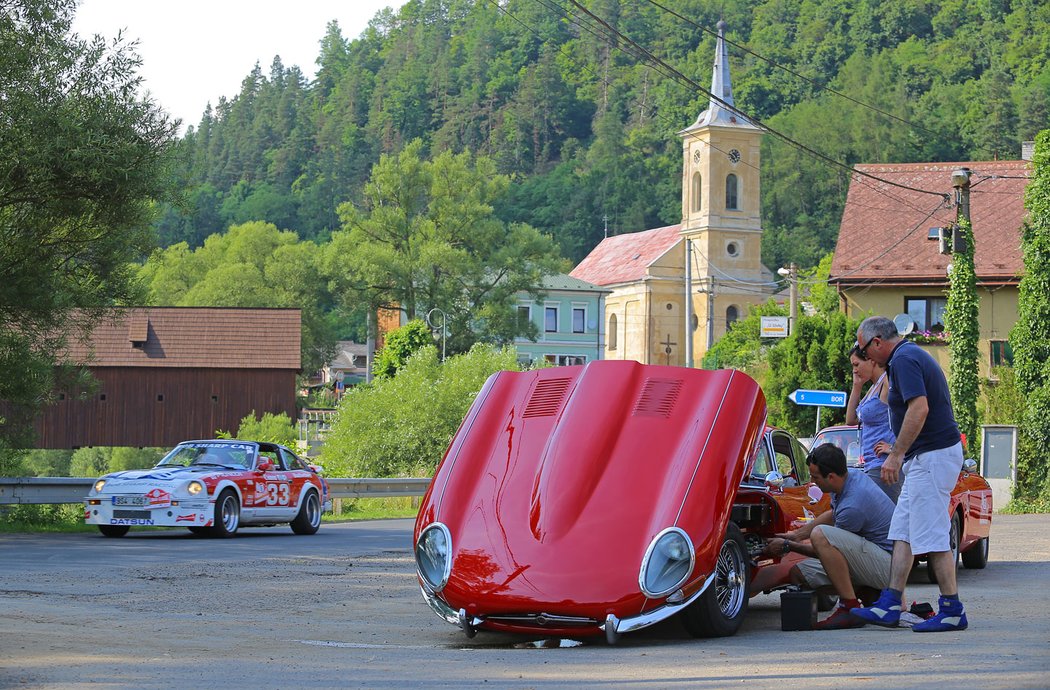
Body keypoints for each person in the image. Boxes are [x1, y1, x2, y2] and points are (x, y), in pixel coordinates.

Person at [849, 316, 968, 632]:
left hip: (932, 456)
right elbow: (904, 407)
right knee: (902, 531)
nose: (862, 356)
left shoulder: (904, 359)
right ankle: (890, 603)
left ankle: (952, 609)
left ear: (877, 343)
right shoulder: (903, 360)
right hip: (925, 457)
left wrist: (896, 455)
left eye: (862, 349)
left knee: (933, 533)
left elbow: (920, 408)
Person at [761, 443, 895, 629]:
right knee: (799, 574)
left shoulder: (853, 505)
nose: (812, 481)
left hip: (889, 569)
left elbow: (829, 551)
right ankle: (866, 590)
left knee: (821, 535)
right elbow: (833, 514)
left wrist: (788, 546)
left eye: (815, 477)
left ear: (831, 477)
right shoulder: (848, 478)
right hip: (875, 557)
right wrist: (796, 536)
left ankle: (849, 607)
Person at [846, 344, 903, 502]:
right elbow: (850, 419)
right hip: (871, 464)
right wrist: (856, 386)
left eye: (856, 364)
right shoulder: (872, 388)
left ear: (871, 360)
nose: (854, 370)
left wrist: (894, 449)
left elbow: (909, 413)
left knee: (878, 518)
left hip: (884, 464)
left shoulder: (886, 381)